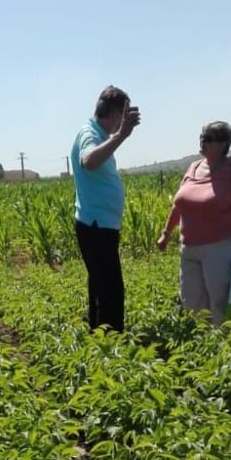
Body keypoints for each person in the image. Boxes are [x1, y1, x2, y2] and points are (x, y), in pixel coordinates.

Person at [156, 120, 231, 325]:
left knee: (220, 300)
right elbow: (179, 205)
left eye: (209, 138)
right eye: (202, 137)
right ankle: (205, 347)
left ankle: (225, 347)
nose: (203, 141)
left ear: (223, 143)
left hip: (222, 246)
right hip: (189, 248)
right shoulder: (193, 168)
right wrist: (166, 233)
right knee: (191, 302)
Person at [71, 86, 141, 332]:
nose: (124, 122)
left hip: (100, 225)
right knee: (110, 290)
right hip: (95, 225)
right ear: (113, 114)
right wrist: (122, 135)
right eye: (123, 116)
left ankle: (99, 338)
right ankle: (110, 346)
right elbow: (89, 161)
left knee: (102, 286)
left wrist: (118, 136)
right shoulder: (90, 133)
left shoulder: (100, 134)